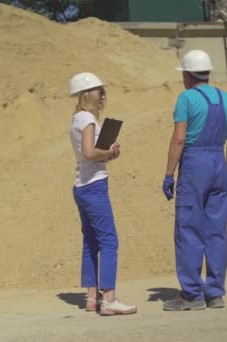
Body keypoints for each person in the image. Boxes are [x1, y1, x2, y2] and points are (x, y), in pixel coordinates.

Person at [161, 50, 227, 311]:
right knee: (216, 231)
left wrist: (169, 174)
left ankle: (192, 294)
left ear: (187, 75)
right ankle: (215, 293)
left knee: (188, 229)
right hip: (218, 162)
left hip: (195, 164)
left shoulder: (186, 99)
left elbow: (178, 139)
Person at [68, 72, 137, 316]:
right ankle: (108, 299)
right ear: (88, 94)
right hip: (94, 187)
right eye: (100, 92)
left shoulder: (78, 118)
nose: (103, 96)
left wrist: (108, 153)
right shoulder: (87, 119)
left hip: (82, 186)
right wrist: (107, 152)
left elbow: (89, 153)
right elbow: (89, 152)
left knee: (91, 242)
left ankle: (91, 297)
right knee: (109, 241)